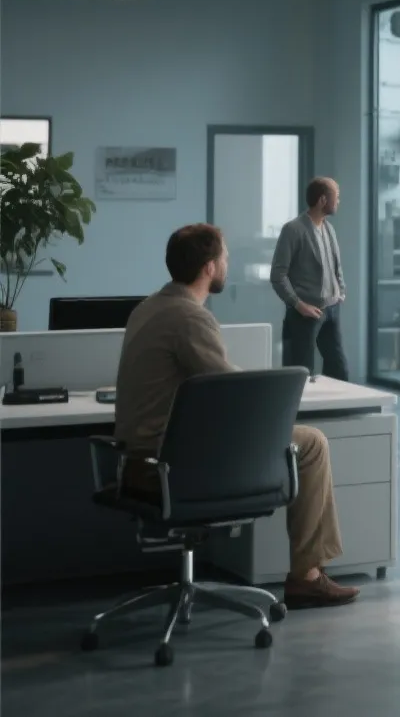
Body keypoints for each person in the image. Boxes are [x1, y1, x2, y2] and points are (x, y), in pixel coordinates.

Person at [114, 224, 359, 609]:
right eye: (225, 258)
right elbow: (231, 394)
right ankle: (307, 577)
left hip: (141, 461)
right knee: (311, 442)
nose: (228, 264)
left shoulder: (148, 307)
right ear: (209, 267)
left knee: (297, 438)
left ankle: (308, 575)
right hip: (172, 468)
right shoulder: (189, 317)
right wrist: (276, 393)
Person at [272, 176, 349, 380]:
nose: (338, 201)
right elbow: (278, 276)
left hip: (332, 310)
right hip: (305, 313)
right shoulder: (293, 230)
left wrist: (340, 290)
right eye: (336, 197)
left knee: (339, 371)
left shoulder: (329, 228)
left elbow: (336, 266)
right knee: (301, 374)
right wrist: (298, 304)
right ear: (323, 200)